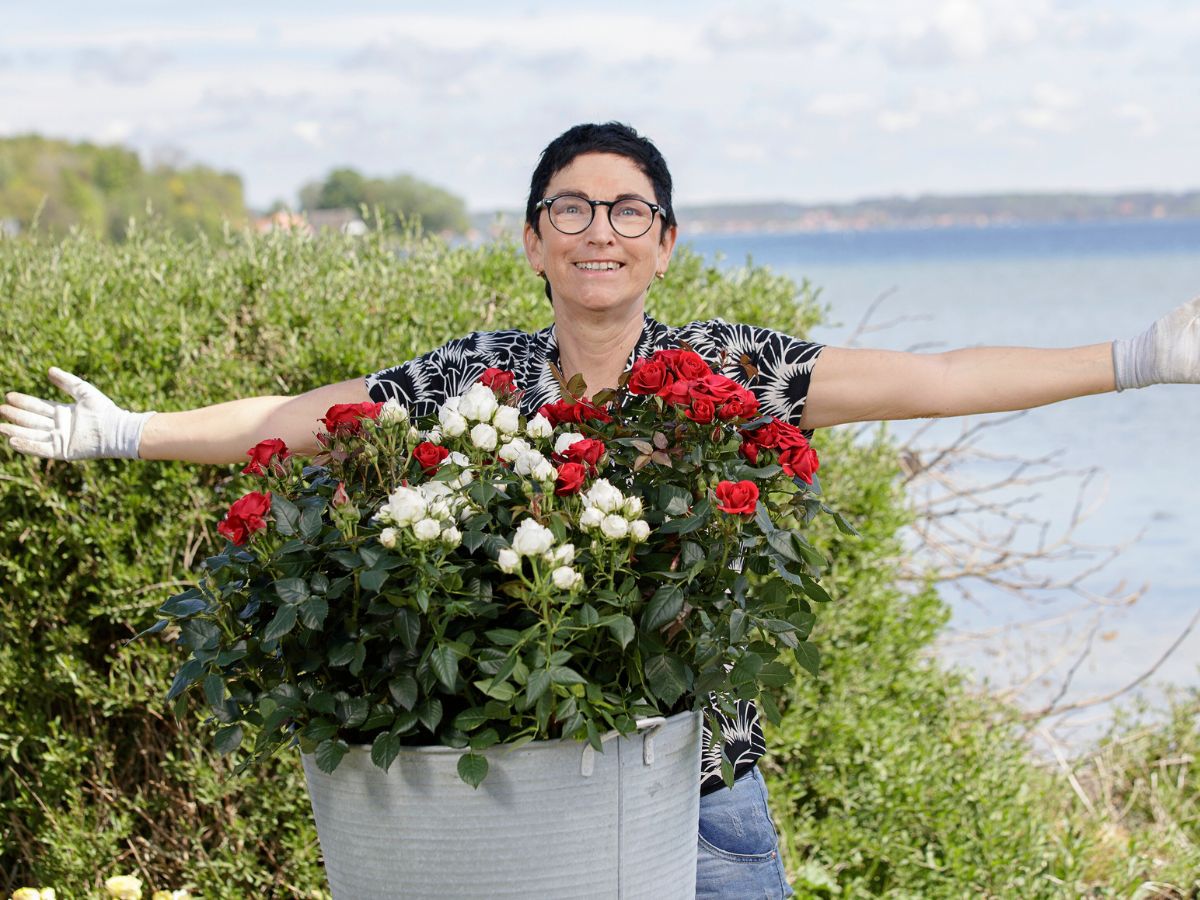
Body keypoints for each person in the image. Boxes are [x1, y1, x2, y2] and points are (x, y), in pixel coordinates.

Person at [2, 121, 1198, 898]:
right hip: (518, 807)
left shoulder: (728, 371)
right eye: (570, 209)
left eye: (628, 210)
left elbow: (937, 381)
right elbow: (309, 415)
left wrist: (1142, 353)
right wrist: (125, 431)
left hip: (705, 799)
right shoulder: (477, 381)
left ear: (665, 244)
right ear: (533, 240)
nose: (599, 231)